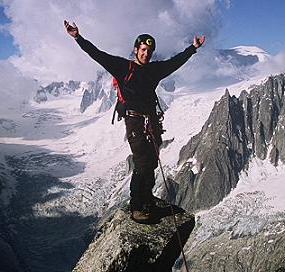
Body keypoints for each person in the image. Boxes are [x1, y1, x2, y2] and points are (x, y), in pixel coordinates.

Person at [64, 20, 205, 223]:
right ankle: (136, 206)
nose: (146, 53)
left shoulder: (154, 70)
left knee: (152, 161)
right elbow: (97, 54)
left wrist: (193, 48)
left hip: (151, 121)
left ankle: (147, 199)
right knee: (142, 162)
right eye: (143, 49)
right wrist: (78, 37)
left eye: (149, 51)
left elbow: (175, 62)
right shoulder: (123, 67)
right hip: (134, 121)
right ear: (136, 49)